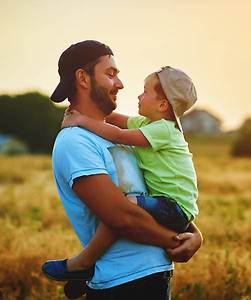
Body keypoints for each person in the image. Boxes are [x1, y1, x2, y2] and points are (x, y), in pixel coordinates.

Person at [42, 40, 202, 299]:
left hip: (153, 275)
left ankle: (80, 267)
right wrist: (176, 242)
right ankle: (81, 266)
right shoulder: (75, 141)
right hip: (123, 284)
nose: (121, 84)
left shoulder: (128, 136)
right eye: (110, 74)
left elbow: (156, 195)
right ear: (83, 78)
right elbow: (122, 218)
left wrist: (195, 235)